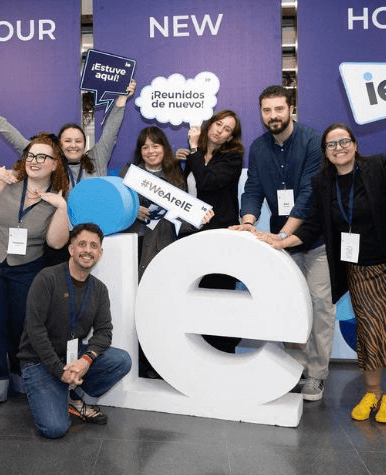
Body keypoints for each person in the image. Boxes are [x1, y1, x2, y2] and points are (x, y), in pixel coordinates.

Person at [260, 120, 386, 423]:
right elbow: (314, 225)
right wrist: (281, 241)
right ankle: (371, 392)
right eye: (331, 144)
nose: (339, 148)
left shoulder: (378, 166)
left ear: (355, 145)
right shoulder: (322, 182)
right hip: (360, 271)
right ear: (325, 152)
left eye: (344, 141)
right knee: (370, 334)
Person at [231, 85, 335, 401]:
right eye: (267, 110)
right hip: (281, 242)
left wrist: (282, 236)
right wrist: (249, 222)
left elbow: (308, 194)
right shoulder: (258, 148)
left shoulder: (313, 141)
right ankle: (296, 369)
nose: (273, 115)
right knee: (290, 304)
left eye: (279, 109)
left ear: (291, 109)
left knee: (320, 306)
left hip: (314, 238)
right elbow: (252, 189)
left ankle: (317, 374)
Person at [0, 133, 70, 408]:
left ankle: (20, 375)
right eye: (31, 155)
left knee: (21, 324)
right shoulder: (7, 181)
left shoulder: (58, 197)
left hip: (26, 267)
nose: (34, 161)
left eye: (42, 157)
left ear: (55, 164)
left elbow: (56, 242)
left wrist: (61, 207)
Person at [17, 223, 132, 438]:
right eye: (82, 244)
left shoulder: (99, 289)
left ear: (100, 253)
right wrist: (59, 371)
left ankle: (73, 395)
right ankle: (61, 390)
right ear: (71, 249)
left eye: (93, 246)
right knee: (55, 429)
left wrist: (86, 360)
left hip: (73, 357)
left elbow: (104, 332)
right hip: (39, 361)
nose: (87, 250)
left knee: (121, 360)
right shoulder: (47, 278)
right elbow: (35, 330)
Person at [119, 127, 213, 377]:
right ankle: (138, 361)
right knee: (137, 304)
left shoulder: (175, 173)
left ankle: (161, 361)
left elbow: (186, 212)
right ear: (140, 151)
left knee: (163, 304)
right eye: (145, 147)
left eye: (156, 145)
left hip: (166, 246)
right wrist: (132, 210)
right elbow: (116, 207)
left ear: (164, 147)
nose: (151, 151)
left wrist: (200, 217)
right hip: (136, 247)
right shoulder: (130, 174)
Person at [0, 79, 137, 187]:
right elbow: (21, 143)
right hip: (62, 226)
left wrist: (121, 99)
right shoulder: (51, 163)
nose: (73, 145)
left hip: (95, 224)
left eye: (78, 141)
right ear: (60, 144)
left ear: (84, 144)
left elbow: (110, 132)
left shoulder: (97, 158)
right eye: (67, 141)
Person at [177, 110, 245, 353]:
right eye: (218, 124)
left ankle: (223, 352)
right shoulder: (194, 155)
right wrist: (181, 159)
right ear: (210, 124)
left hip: (221, 236)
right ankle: (200, 352)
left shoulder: (233, 157)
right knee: (196, 295)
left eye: (227, 129)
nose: (220, 131)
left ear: (230, 137)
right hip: (193, 235)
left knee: (220, 296)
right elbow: (189, 192)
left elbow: (207, 182)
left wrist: (194, 150)